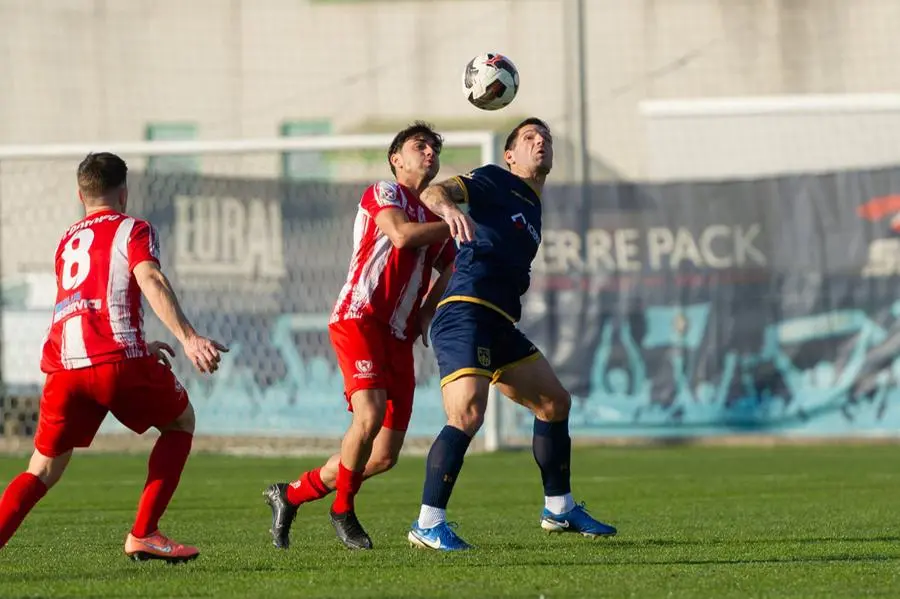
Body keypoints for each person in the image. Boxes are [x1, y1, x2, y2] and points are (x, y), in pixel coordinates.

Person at [0, 152, 227, 563]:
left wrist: (143, 346)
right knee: (181, 421)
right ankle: (144, 533)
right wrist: (188, 337)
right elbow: (150, 279)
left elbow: (85, 307)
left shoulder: (67, 239)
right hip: (114, 362)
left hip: (63, 369)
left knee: (41, 469)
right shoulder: (133, 229)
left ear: (80, 194)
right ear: (124, 192)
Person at [406, 118, 618, 551]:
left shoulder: (534, 205)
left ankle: (558, 508)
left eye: (546, 139)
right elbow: (435, 192)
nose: (540, 143)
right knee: (466, 414)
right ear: (509, 155)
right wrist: (447, 209)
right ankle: (428, 523)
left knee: (555, 403)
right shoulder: (494, 180)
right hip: (465, 314)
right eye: (528, 138)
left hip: (499, 322)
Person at [263, 122, 456, 551]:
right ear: (396, 159)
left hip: (399, 337)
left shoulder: (436, 217)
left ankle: (289, 494)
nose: (429, 153)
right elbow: (402, 236)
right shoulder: (384, 192)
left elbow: (454, 266)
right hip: (359, 319)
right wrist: (458, 223)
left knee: (383, 455)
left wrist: (426, 310)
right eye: (419, 146)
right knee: (366, 417)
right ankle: (342, 511)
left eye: (434, 148)